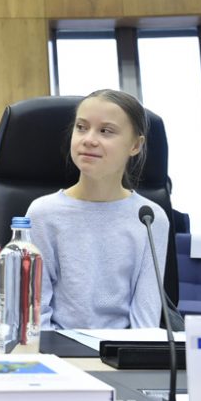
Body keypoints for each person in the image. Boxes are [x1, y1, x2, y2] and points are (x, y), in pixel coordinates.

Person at [26, 89, 168, 330]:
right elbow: (37, 313)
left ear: (135, 145)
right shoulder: (43, 213)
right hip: (58, 353)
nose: (89, 139)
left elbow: (146, 316)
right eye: (81, 127)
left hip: (123, 355)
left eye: (105, 131)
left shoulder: (150, 217)